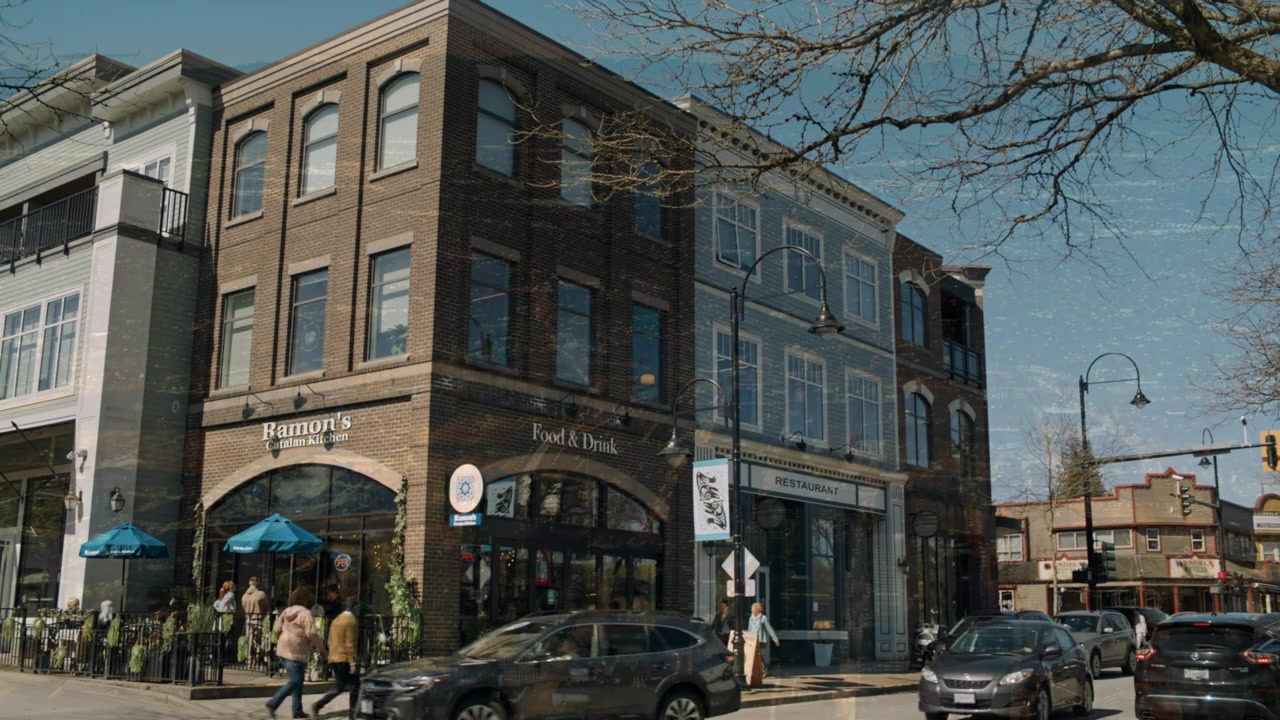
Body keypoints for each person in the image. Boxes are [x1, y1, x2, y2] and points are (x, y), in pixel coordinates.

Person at [265, 587, 326, 720]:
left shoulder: (285, 611)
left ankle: (297, 710)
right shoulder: (305, 613)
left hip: (283, 649)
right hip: (296, 651)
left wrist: (281, 638)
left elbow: (276, 628)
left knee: (299, 681)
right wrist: (322, 649)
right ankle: (273, 703)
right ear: (306, 600)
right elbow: (311, 633)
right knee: (296, 680)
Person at [310, 595, 359, 720]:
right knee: (355, 686)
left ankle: (318, 705)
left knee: (339, 686)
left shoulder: (336, 619)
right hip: (344, 658)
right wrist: (352, 662)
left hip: (334, 656)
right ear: (354, 608)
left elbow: (330, 639)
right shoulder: (351, 621)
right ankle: (353, 714)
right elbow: (350, 643)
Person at [242, 578, 269, 666]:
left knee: (249, 639)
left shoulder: (244, 596)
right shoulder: (261, 594)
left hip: (248, 619)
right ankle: (260, 653)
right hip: (259, 619)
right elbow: (266, 606)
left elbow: (243, 607)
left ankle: (249, 659)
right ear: (257, 583)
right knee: (264, 638)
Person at [748, 602, 780, 671]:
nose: (751, 610)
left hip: (759, 639)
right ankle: (760, 669)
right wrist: (748, 638)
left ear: (757, 609)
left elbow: (769, 629)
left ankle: (763, 669)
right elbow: (749, 629)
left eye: (753, 609)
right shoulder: (751, 618)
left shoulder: (763, 618)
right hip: (752, 639)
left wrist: (775, 639)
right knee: (756, 655)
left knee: (758, 654)